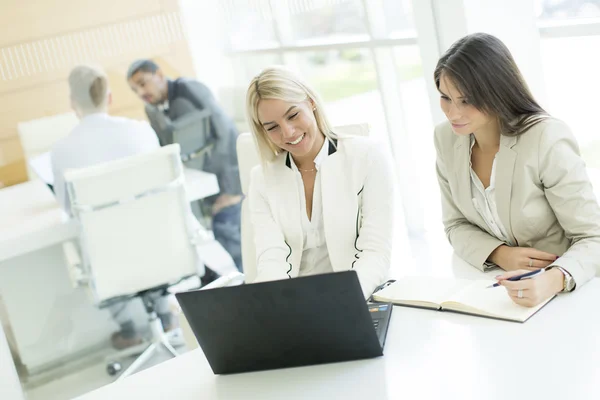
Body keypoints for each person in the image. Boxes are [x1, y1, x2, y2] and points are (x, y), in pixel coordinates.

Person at [433, 33, 600, 307]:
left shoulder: (545, 138)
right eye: (445, 98)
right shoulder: (446, 138)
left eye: (466, 101)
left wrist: (554, 278)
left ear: (497, 92)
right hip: (495, 290)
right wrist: (500, 254)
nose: (453, 113)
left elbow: (593, 236)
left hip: (566, 292)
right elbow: (455, 224)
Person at [51, 65, 177, 350]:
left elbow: (68, 210)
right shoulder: (141, 132)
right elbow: (162, 189)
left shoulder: (61, 150)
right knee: (143, 231)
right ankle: (166, 315)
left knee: (95, 241)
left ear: (73, 103)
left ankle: (129, 329)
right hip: (161, 245)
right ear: (108, 98)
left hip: (108, 257)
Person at [245, 66, 395, 298]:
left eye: (293, 115)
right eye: (272, 127)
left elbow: (375, 252)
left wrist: (349, 299)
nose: (288, 132)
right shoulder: (261, 179)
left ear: (311, 102)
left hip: (355, 295)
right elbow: (271, 255)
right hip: (294, 302)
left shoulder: (367, 156)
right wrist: (271, 305)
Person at [126, 60, 243, 272]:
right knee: (175, 232)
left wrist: (233, 190)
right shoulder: (154, 109)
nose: (141, 92)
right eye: (135, 90)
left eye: (143, 84)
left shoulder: (189, 89)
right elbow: (166, 151)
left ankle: (257, 285)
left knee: (224, 226)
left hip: (231, 183)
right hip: (202, 188)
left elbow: (226, 133)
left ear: (160, 75)